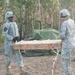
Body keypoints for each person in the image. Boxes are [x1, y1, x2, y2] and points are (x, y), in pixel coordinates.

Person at [2, 11, 30, 75]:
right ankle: (7, 71)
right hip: (8, 44)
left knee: (18, 55)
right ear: (7, 17)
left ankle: (21, 70)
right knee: (8, 57)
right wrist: (12, 38)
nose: (12, 18)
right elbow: (4, 34)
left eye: (12, 17)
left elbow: (15, 32)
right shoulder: (6, 25)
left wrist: (17, 37)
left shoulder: (14, 24)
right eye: (10, 17)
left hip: (15, 43)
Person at [59, 9, 75, 75]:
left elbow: (62, 35)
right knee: (69, 60)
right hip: (73, 43)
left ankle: (67, 73)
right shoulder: (72, 21)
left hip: (66, 45)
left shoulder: (64, 23)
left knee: (65, 60)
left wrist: (59, 36)